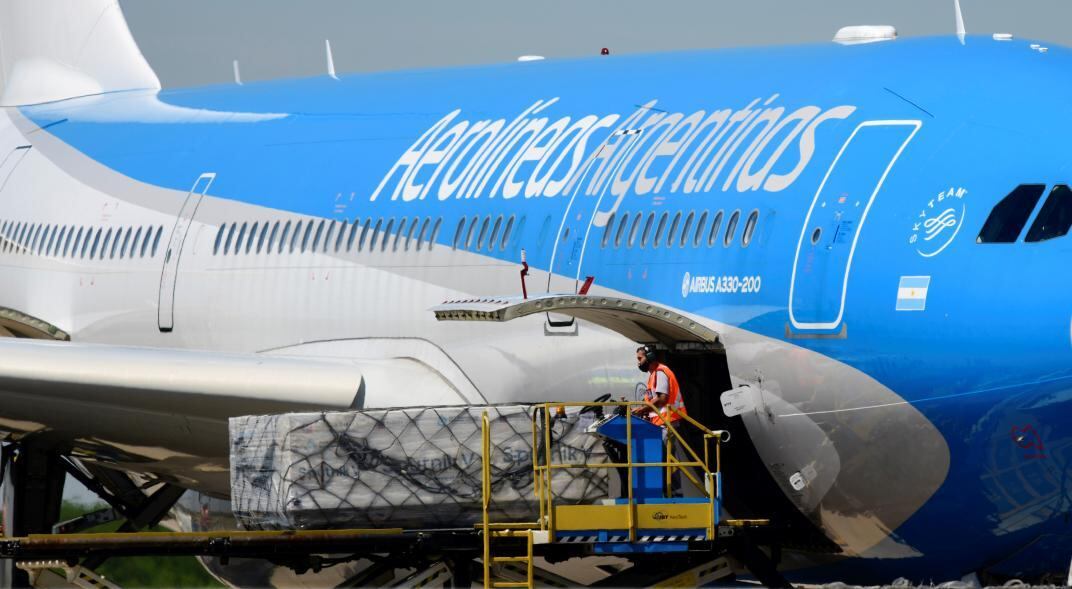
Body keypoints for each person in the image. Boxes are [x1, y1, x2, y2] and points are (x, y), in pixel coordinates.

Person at [635, 345, 688, 497]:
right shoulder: (653, 375)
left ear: (650, 357)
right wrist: (644, 412)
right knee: (664, 459)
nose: (638, 363)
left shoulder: (660, 372)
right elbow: (653, 401)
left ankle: (675, 494)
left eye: (640, 358)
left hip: (667, 422)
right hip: (660, 422)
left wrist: (642, 410)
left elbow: (662, 399)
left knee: (668, 459)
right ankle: (668, 492)